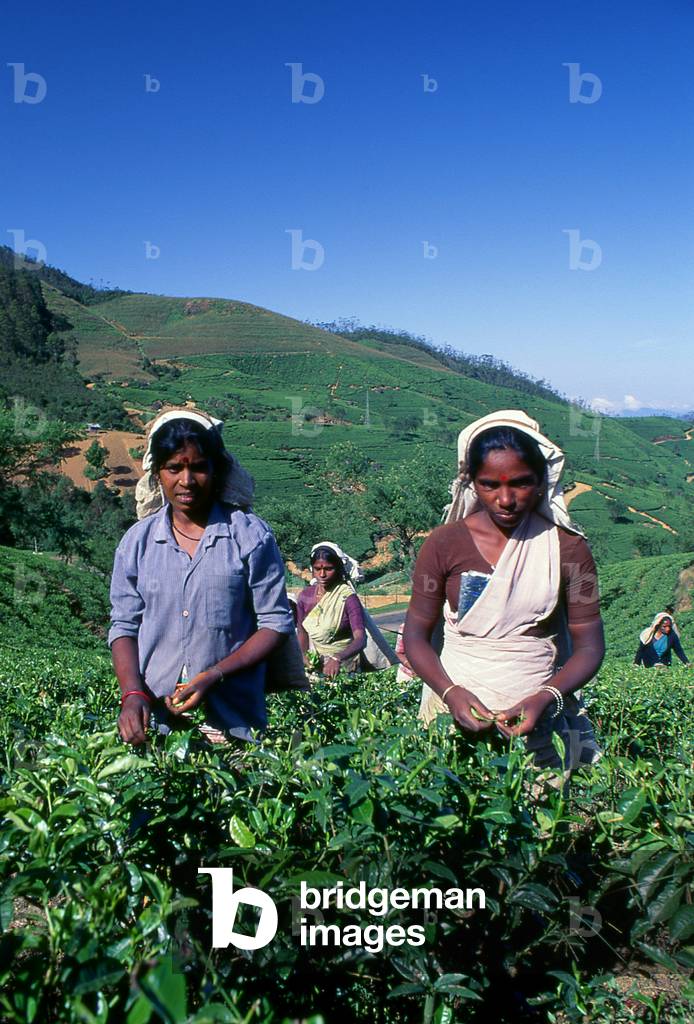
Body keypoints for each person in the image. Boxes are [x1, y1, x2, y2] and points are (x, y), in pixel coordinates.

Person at [403, 409, 604, 772]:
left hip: (535, 724)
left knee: (539, 817)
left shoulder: (568, 549)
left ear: (542, 480)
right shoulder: (443, 544)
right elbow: (416, 634)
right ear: (470, 482)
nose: (506, 499)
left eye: (521, 483)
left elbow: (590, 646)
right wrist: (450, 693)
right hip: (451, 714)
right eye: (490, 485)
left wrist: (545, 697)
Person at [110, 409, 295, 745]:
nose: (186, 480)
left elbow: (275, 623)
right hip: (157, 719)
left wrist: (215, 674)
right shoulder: (137, 543)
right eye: (174, 468)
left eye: (198, 467)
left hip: (233, 718)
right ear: (157, 473)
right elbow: (124, 626)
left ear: (216, 469)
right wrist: (132, 693)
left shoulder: (250, 536)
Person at [296, 543, 367, 678]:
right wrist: (304, 655)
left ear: (338, 569)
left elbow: (361, 639)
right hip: (316, 664)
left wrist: (337, 658)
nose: (322, 574)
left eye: (328, 569)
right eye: (317, 569)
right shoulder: (305, 597)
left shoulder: (347, 598)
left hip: (345, 666)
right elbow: (301, 630)